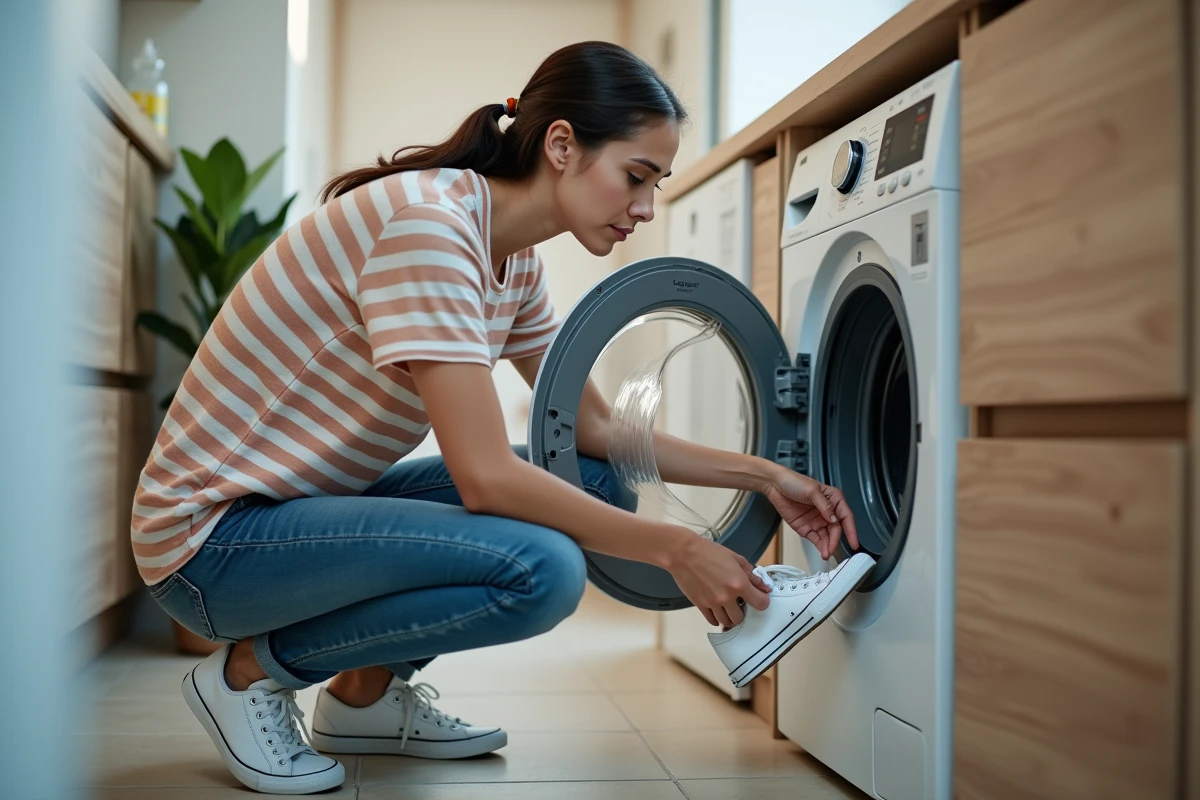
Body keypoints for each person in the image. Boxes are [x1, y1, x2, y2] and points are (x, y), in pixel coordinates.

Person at [129, 40, 857, 795]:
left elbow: (597, 434)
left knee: (600, 482)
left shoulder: (513, 260)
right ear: (563, 145)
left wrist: (766, 475)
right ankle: (245, 678)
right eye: (635, 178)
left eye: (656, 184)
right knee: (542, 572)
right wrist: (678, 548)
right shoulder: (432, 228)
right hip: (211, 542)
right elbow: (483, 478)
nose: (645, 208)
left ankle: (363, 699)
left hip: (295, 518)